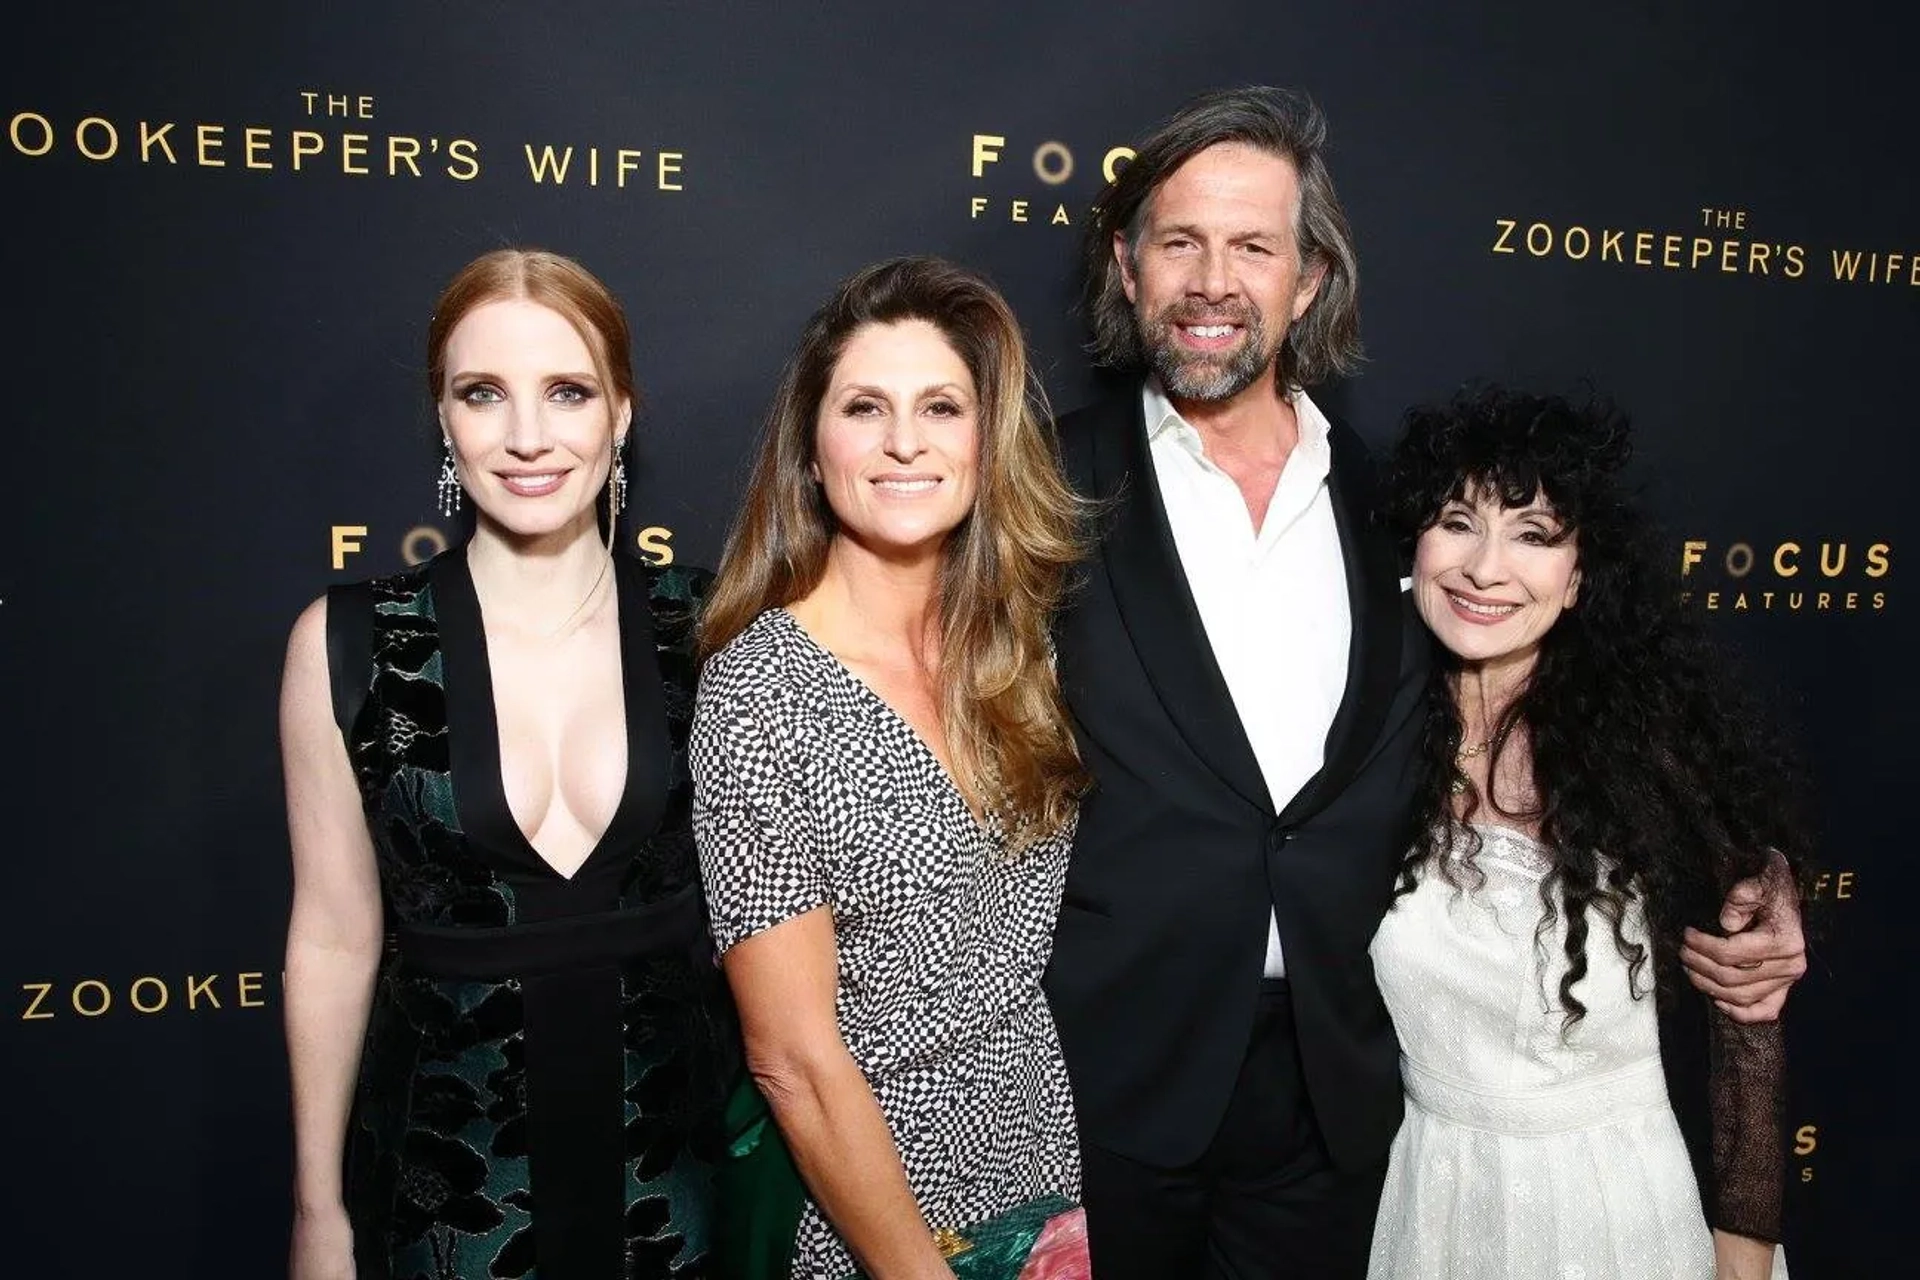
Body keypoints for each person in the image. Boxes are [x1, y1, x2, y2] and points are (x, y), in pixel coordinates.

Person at [1044, 86, 1807, 1278]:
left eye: (1254, 245)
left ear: (1308, 283)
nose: (1212, 280)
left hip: (1344, 1108)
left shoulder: (1397, 506)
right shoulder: (1036, 488)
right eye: (1179, 241)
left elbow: (1597, 730)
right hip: (1112, 1089)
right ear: (1127, 265)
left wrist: (1754, 882)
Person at [280, 248, 733, 1280]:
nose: (527, 436)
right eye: (483, 393)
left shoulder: (709, 627)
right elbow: (334, 940)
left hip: (678, 1194)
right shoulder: (350, 643)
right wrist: (318, 1210)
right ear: (444, 418)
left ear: (621, 413)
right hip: (446, 1201)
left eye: (567, 391)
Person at [691, 256, 1087, 1279]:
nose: (905, 440)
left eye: (941, 407)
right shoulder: (759, 693)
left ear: (981, 443)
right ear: (813, 452)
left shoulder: (1020, 648)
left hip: (1050, 1170)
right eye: (865, 406)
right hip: (873, 1210)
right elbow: (793, 1058)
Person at [1367, 386, 1804, 1279]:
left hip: (1621, 1211)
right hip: (1430, 1206)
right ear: (1415, 543)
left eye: (1533, 534)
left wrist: (1742, 1261)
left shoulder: (1647, 757)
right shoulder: (1361, 745)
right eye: (1458, 521)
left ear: (1579, 577)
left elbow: (1746, 1030)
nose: (1487, 568)